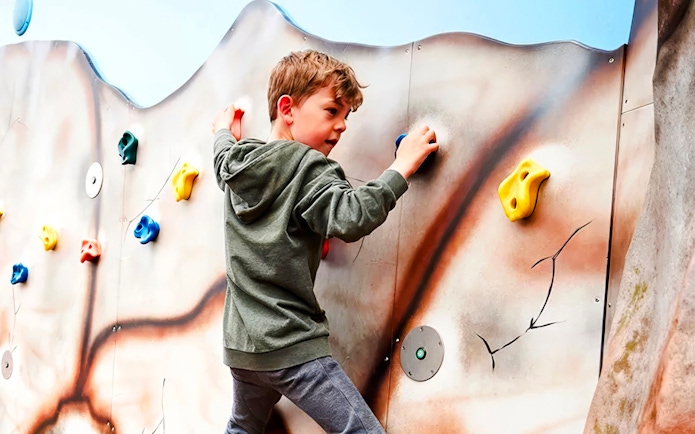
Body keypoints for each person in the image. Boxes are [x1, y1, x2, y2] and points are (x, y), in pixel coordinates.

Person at [212, 49, 438, 434]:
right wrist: (402, 165)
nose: (343, 126)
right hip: (290, 345)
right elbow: (351, 215)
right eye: (332, 111)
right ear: (288, 109)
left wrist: (221, 130)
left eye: (346, 116)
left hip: (242, 351)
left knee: (242, 429)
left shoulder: (238, 162)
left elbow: (222, 157)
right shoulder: (309, 166)